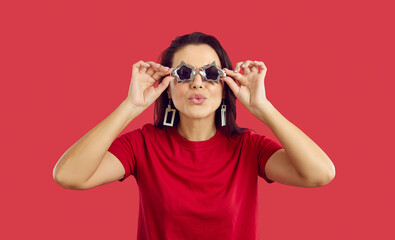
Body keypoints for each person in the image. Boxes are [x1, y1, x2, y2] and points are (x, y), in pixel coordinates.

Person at [53, 32, 336, 239]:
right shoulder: (143, 145)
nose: (197, 83)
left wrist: (263, 108)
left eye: (211, 73)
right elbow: (69, 176)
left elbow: (320, 174)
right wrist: (131, 107)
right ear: (167, 86)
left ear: (225, 85)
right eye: (185, 73)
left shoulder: (248, 147)